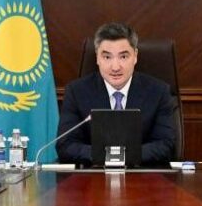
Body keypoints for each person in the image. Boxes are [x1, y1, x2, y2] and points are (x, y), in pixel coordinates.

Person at [57, 22, 176, 166]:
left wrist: (121, 157)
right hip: (94, 175)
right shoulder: (76, 92)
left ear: (135, 56)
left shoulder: (158, 92)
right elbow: (65, 145)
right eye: (107, 57)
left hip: (142, 175)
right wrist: (107, 157)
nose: (115, 67)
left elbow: (166, 145)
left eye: (123, 57)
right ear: (97, 58)